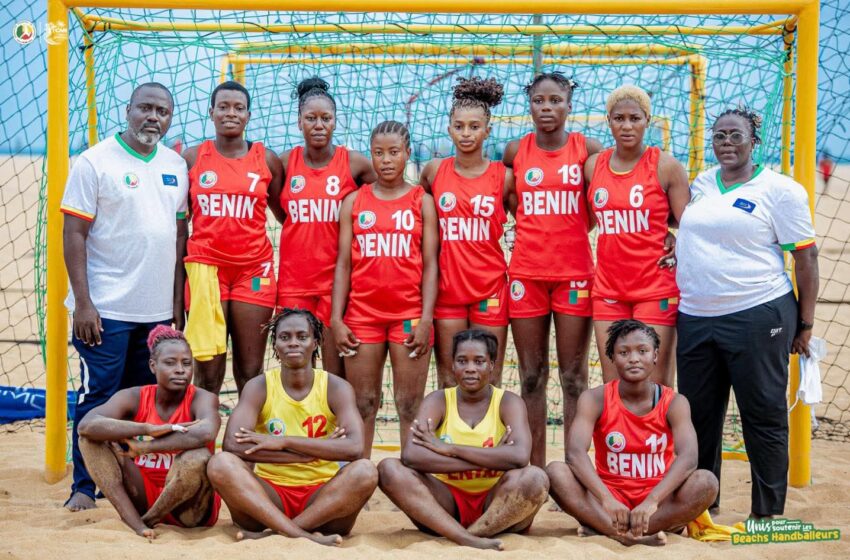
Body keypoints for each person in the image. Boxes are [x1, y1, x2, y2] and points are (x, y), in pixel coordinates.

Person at [676, 107, 819, 519]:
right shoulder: (701, 183)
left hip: (758, 313)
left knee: (763, 414)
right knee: (698, 416)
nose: (726, 143)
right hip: (696, 315)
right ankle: (703, 506)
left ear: (754, 142)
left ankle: (767, 513)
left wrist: (805, 324)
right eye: (720, 135)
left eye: (735, 136)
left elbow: (806, 260)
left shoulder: (780, 190)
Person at [61, 82, 189, 511]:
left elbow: (176, 238)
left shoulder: (175, 164)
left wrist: (175, 305)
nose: (154, 117)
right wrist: (83, 302)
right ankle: (84, 486)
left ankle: (129, 480)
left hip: (155, 313)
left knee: (141, 400)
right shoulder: (94, 161)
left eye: (163, 111)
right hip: (105, 310)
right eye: (146, 108)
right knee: (98, 398)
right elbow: (74, 234)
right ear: (128, 109)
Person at [206, 308, 378, 546]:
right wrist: (313, 453)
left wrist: (285, 441)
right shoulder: (259, 387)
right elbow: (232, 445)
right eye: (285, 337)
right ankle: (300, 533)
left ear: (315, 341)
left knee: (366, 471)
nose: (293, 343)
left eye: (302, 336)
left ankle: (280, 532)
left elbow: (356, 448)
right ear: (274, 344)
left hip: (323, 500)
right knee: (220, 463)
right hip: (268, 498)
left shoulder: (335, 387)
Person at [502, 72, 603, 466]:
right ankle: (535, 471)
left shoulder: (587, 149)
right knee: (531, 377)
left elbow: (599, 205)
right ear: (529, 105)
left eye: (555, 101)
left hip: (575, 274)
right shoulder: (515, 151)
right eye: (539, 101)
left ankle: (575, 472)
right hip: (526, 275)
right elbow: (513, 205)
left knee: (575, 378)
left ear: (569, 105)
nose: (546, 108)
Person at [547, 320, 718, 546]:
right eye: (624, 352)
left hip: (656, 503)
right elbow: (575, 454)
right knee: (556, 472)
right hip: (610, 502)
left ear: (655, 355)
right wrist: (606, 498)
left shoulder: (674, 402)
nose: (634, 358)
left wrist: (652, 500)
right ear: (612, 358)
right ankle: (625, 534)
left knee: (706, 482)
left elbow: (688, 458)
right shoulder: (594, 398)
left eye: (642, 351)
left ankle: (606, 528)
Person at [378, 329, 549, 550]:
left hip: (498, 502)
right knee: (388, 468)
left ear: (492, 364)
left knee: (536, 477)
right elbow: (411, 455)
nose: (470, 368)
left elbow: (519, 457)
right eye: (462, 361)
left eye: (479, 361)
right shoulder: (438, 400)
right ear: (452, 364)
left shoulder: (508, 402)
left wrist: (450, 449)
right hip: (445, 504)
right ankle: (464, 536)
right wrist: (493, 457)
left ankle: (473, 534)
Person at [331, 120, 439, 453]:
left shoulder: (422, 202)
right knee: (363, 404)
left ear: (407, 153)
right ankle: (358, 480)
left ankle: (410, 480)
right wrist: (337, 318)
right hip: (362, 317)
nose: (386, 160)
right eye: (378, 153)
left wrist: (425, 320)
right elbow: (344, 265)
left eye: (394, 152)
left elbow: (432, 265)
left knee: (409, 405)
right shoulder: (354, 202)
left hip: (408, 316)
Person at [181, 80, 284, 395]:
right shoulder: (193, 157)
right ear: (211, 112)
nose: (231, 113)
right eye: (223, 107)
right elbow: (177, 219)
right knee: (208, 374)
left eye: (238, 108)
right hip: (206, 272)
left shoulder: (266, 160)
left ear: (249, 116)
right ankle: (203, 442)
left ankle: (245, 443)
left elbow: (284, 215)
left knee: (250, 371)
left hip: (253, 272)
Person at [585, 85, 690, 386]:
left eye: (635, 118)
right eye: (619, 118)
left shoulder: (666, 166)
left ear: (648, 119)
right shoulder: (594, 166)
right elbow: (585, 220)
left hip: (655, 288)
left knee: (655, 385)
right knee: (613, 384)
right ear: (609, 121)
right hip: (608, 290)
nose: (627, 125)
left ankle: (658, 437)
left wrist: (674, 238)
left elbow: (691, 225)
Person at [76, 325, 221, 538]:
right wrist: (147, 428)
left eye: (186, 363)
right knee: (90, 440)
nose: (180, 370)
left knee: (197, 457)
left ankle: (147, 522)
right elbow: (86, 425)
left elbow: (206, 433)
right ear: (153, 366)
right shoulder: (134, 397)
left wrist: (146, 446)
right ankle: (135, 522)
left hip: (189, 508)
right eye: (170, 363)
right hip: (143, 493)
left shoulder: (203, 398)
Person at [278, 77, 376, 377]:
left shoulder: (355, 163)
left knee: (334, 370)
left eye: (326, 118)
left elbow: (383, 201)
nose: (318, 125)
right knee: (297, 367)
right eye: (311, 118)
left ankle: (337, 424)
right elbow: (276, 206)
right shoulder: (284, 163)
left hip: (337, 282)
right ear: (299, 122)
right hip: (295, 281)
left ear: (335, 122)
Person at [420, 77, 512, 389]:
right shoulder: (434, 172)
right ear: (449, 128)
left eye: (474, 126)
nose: (466, 133)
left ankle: (490, 440)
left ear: (487, 130)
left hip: (490, 289)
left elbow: (528, 221)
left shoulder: (505, 177)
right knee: (449, 379)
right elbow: (414, 214)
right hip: (447, 291)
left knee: (490, 379)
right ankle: (447, 439)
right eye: (459, 126)